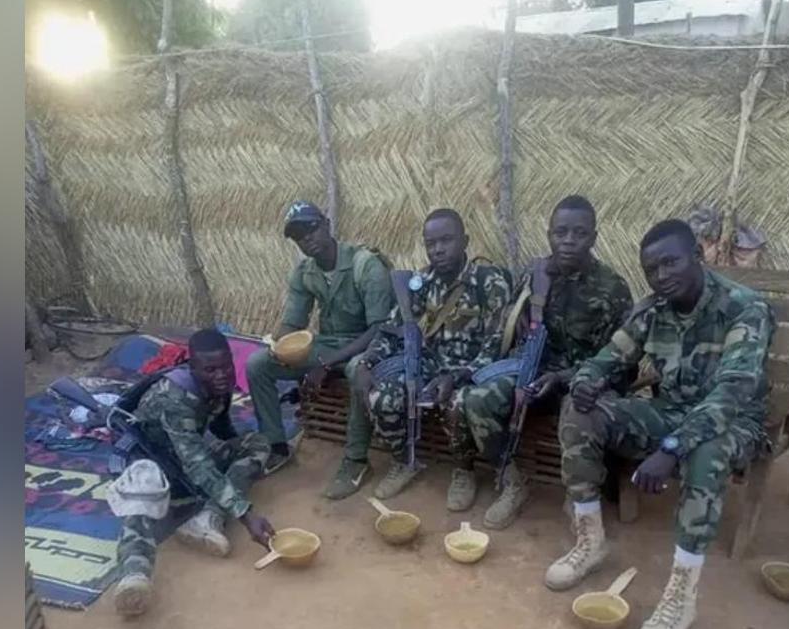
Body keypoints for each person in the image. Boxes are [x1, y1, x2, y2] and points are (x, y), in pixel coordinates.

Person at [549, 219, 774, 629]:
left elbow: (732, 392)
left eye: (670, 262)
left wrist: (673, 447)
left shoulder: (744, 308)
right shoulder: (653, 310)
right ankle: (590, 539)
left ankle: (681, 596)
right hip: (669, 411)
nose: (662, 276)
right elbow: (608, 357)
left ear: (698, 255)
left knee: (705, 450)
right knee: (580, 411)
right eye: (651, 269)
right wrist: (587, 381)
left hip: (735, 422)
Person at [452, 195, 633, 529]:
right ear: (549, 233)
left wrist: (565, 377)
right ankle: (512, 481)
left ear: (593, 238)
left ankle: (578, 494)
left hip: (581, 380)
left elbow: (621, 363)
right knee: (476, 399)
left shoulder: (613, 289)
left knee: (580, 411)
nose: (568, 241)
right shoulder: (534, 275)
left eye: (579, 233)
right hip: (531, 372)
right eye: (560, 232)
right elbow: (509, 331)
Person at [332, 209, 512, 500]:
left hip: (471, 370)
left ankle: (464, 470)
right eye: (430, 243)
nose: (437, 249)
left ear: (464, 241)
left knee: (455, 403)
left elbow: (496, 344)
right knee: (381, 394)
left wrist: (456, 376)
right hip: (428, 364)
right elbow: (392, 330)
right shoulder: (419, 282)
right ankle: (405, 461)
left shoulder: (488, 282)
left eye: (446, 240)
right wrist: (367, 362)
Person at [111, 328, 278, 618]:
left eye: (226, 366)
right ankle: (134, 575)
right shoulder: (174, 397)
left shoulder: (220, 386)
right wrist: (245, 514)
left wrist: (231, 456)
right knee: (143, 495)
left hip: (185, 459)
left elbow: (222, 430)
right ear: (192, 367)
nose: (222, 376)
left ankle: (205, 519)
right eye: (210, 369)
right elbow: (198, 465)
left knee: (256, 444)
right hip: (151, 463)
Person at [245, 201, 394, 475]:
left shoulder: (365, 265)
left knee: (355, 368)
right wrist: (276, 344)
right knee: (258, 363)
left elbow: (379, 329)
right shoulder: (305, 273)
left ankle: (356, 460)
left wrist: (325, 364)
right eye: (298, 236)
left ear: (326, 224)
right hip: (330, 344)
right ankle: (277, 445)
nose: (306, 239)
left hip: (372, 344)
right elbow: (293, 322)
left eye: (311, 229)